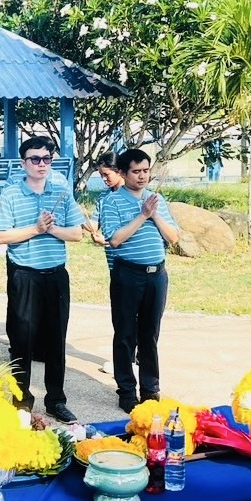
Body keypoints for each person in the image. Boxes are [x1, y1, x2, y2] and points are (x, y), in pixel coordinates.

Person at [0, 136, 84, 423]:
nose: (41, 164)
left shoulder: (61, 191)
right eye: (35, 159)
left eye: (47, 158)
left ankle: (55, 400)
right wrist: (35, 228)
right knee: (22, 340)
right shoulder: (11, 194)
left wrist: (51, 228)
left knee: (56, 340)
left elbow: (77, 233)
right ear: (23, 163)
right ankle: (21, 401)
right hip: (25, 276)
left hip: (56, 275)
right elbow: (1, 236)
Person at [100, 148, 181, 413]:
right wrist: (143, 215)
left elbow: (173, 237)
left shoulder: (156, 199)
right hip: (127, 274)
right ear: (123, 173)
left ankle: (150, 389)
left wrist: (154, 213)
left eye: (146, 170)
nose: (143, 176)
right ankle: (126, 390)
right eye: (136, 171)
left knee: (150, 333)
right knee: (125, 333)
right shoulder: (112, 201)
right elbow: (114, 238)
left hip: (156, 275)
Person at [85, 152, 125, 376]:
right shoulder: (103, 197)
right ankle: (124, 359)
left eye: (107, 174)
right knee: (120, 315)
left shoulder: (133, 196)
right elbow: (94, 221)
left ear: (119, 171)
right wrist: (85, 226)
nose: (104, 179)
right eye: (101, 175)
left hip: (132, 262)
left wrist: (110, 241)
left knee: (136, 317)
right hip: (114, 265)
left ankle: (134, 359)